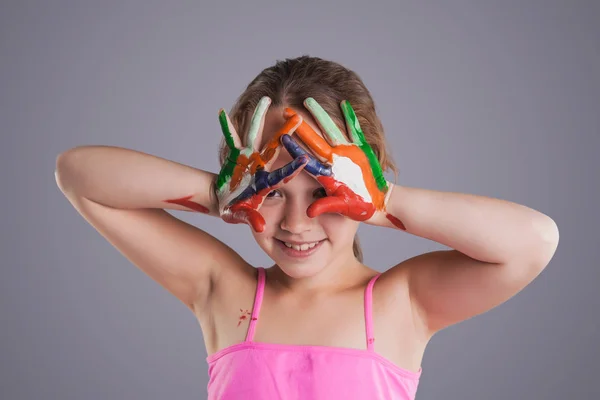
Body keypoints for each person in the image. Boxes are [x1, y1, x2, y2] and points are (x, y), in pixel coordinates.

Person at [54, 55, 560, 399]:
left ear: (365, 179)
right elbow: (78, 174)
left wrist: (379, 200)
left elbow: (534, 242)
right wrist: (222, 194)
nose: (297, 223)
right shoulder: (223, 291)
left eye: (324, 192)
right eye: (272, 192)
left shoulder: (402, 302)